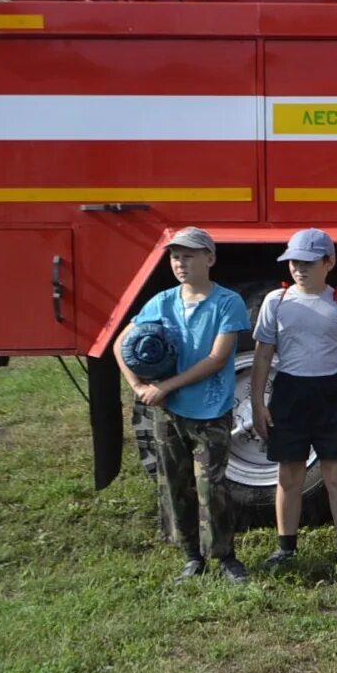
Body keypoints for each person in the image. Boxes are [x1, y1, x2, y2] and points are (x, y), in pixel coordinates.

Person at [115, 227, 252, 583]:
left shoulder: (227, 302)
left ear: (210, 258)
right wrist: (139, 386)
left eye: (189, 255)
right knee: (174, 484)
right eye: (175, 256)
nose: (180, 262)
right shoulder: (161, 302)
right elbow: (120, 343)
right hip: (168, 411)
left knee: (211, 485)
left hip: (210, 410)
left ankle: (225, 557)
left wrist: (167, 386)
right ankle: (191, 556)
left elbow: (217, 358)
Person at [249, 228, 337, 576]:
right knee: (289, 472)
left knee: (336, 471)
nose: (298, 269)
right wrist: (258, 403)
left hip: (333, 393)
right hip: (290, 393)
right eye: (293, 263)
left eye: (307, 262)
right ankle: (286, 546)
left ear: (328, 262)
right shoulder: (277, 301)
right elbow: (262, 356)